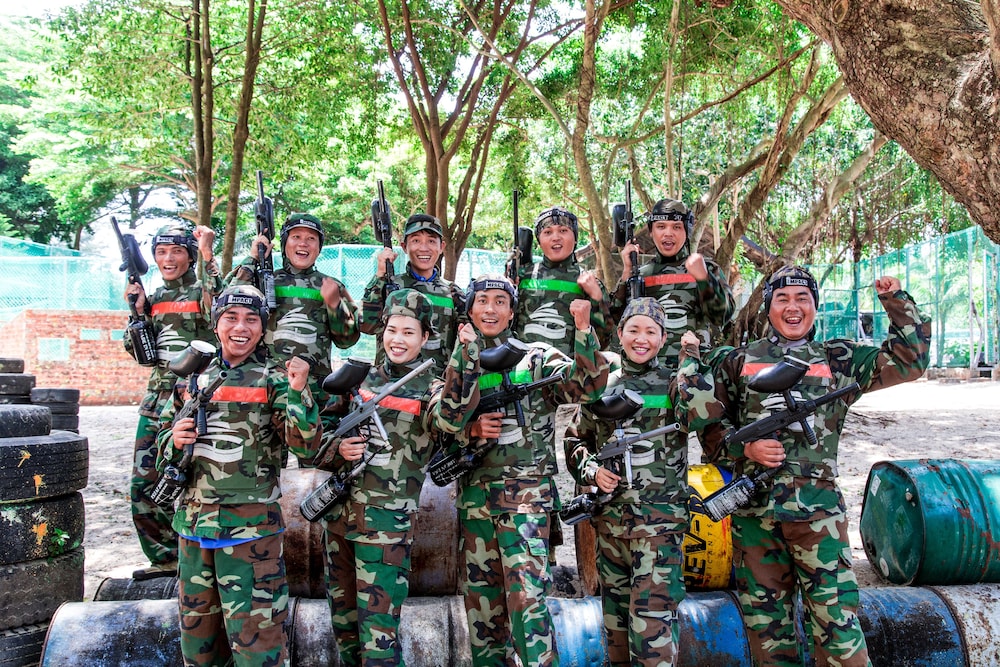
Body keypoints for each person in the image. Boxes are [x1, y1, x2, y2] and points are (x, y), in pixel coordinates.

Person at [674, 266, 931, 667]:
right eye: (782, 299)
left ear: (815, 306)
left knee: (838, 630)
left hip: (819, 518)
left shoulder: (838, 358)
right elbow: (704, 423)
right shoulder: (738, 360)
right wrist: (746, 449)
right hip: (755, 520)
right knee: (769, 637)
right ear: (768, 307)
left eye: (802, 299)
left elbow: (910, 361)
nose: (792, 308)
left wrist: (895, 301)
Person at [435, 273, 611, 667]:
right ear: (469, 310)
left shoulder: (536, 358)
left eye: (500, 302)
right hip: (476, 506)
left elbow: (588, 388)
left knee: (528, 608)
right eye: (482, 301)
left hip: (525, 506)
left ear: (513, 312)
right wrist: (471, 428)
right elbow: (443, 419)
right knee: (483, 615)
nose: (491, 309)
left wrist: (584, 330)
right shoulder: (459, 359)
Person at [155, 284, 321, 667]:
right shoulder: (192, 376)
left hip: (251, 537)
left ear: (263, 328)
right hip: (194, 531)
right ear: (216, 324)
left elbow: (306, 447)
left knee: (257, 651)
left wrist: (299, 392)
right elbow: (162, 445)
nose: (241, 327)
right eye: (231, 318)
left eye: (251, 319)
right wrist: (174, 440)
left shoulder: (275, 378)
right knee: (199, 650)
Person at [315, 289, 442, 666]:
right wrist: (337, 448)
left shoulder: (433, 389)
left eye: (409, 332)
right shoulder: (358, 377)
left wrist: (464, 366)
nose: (398, 340)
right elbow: (319, 434)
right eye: (392, 330)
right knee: (345, 631)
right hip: (339, 519)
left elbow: (449, 422)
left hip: (386, 528)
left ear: (424, 337)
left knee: (379, 640)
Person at [564, 298, 692, 667]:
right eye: (633, 330)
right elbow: (575, 439)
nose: (641, 339)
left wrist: (692, 363)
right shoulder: (602, 385)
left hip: (659, 527)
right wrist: (592, 472)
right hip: (611, 526)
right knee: (616, 627)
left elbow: (702, 416)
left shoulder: (675, 383)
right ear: (620, 334)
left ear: (663, 338)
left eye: (651, 332)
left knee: (652, 627)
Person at [124, 223, 221, 580]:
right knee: (143, 483)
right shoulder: (152, 299)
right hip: (157, 400)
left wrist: (209, 255)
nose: (168, 259)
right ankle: (166, 559)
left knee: (202, 483)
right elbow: (140, 353)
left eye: (177, 251)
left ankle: (207, 559)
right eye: (161, 252)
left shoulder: (201, 289)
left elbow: (219, 307)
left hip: (197, 399)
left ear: (189, 257)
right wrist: (136, 314)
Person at [229, 212, 360, 401]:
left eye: (311, 238)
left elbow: (346, 341)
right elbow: (228, 305)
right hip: (265, 388)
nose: (303, 243)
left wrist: (335, 305)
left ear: (319, 247)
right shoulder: (265, 281)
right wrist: (253, 259)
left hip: (314, 393)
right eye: (296, 236)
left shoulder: (332, 286)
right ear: (285, 243)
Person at [612, 197, 735, 368]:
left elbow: (722, 317)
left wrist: (704, 279)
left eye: (676, 227)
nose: (668, 233)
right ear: (651, 231)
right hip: (649, 370)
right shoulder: (640, 275)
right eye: (661, 226)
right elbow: (617, 321)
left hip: (695, 366)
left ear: (687, 231)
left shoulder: (706, 269)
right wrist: (627, 273)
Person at [359, 212, 465, 370]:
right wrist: (379, 276)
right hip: (391, 381)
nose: (424, 248)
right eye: (416, 240)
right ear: (404, 247)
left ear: (441, 247)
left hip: (434, 381)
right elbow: (367, 325)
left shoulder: (452, 292)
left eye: (431, 241)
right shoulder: (390, 285)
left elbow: (467, 338)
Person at [514, 206, 614, 352]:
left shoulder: (589, 282)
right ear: (539, 241)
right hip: (524, 363)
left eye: (563, 230)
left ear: (575, 238)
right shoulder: (522, 276)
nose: (555, 237)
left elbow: (603, 342)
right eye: (547, 232)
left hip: (568, 365)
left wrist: (597, 299)